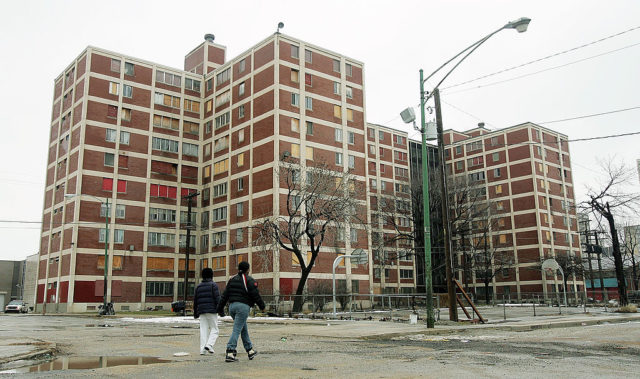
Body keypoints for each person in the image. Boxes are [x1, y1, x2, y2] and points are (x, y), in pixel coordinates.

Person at [217, 261, 265, 362]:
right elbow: (255, 295)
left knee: (243, 328)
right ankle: (230, 351)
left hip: (232, 307)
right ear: (248, 269)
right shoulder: (249, 280)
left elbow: (225, 295)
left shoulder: (232, 279)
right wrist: (262, 306)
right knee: (237, 329)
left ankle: (250, 350)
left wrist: (220, 308)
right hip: (242, 307)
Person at [193, 267, 221, 355]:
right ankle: (209, 345)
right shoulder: (213, 285)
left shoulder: (198, 287)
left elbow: (195, 301)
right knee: (215, 329)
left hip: (202, 311)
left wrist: (195, 313)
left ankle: (202, 350)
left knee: (203, 330)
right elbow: (218, 299)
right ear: (211, 275)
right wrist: (221, 310)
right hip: (212, 310)